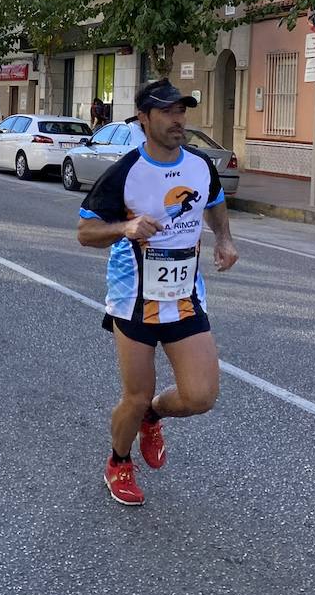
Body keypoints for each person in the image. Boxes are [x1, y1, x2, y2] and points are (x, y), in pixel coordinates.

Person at [76, 79, 239, 507]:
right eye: (167, 112)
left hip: (185, 297)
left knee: (201, 396)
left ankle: (155, 415)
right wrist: (124, 227)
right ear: (144, 119)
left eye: (182, 110)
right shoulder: (125, 172)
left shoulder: (201, 166)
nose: (178, 119)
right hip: (135, 301)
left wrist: (223, 239)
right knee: (135, 394)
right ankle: (119, 462)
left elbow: (215, 200)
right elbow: (85, 232)